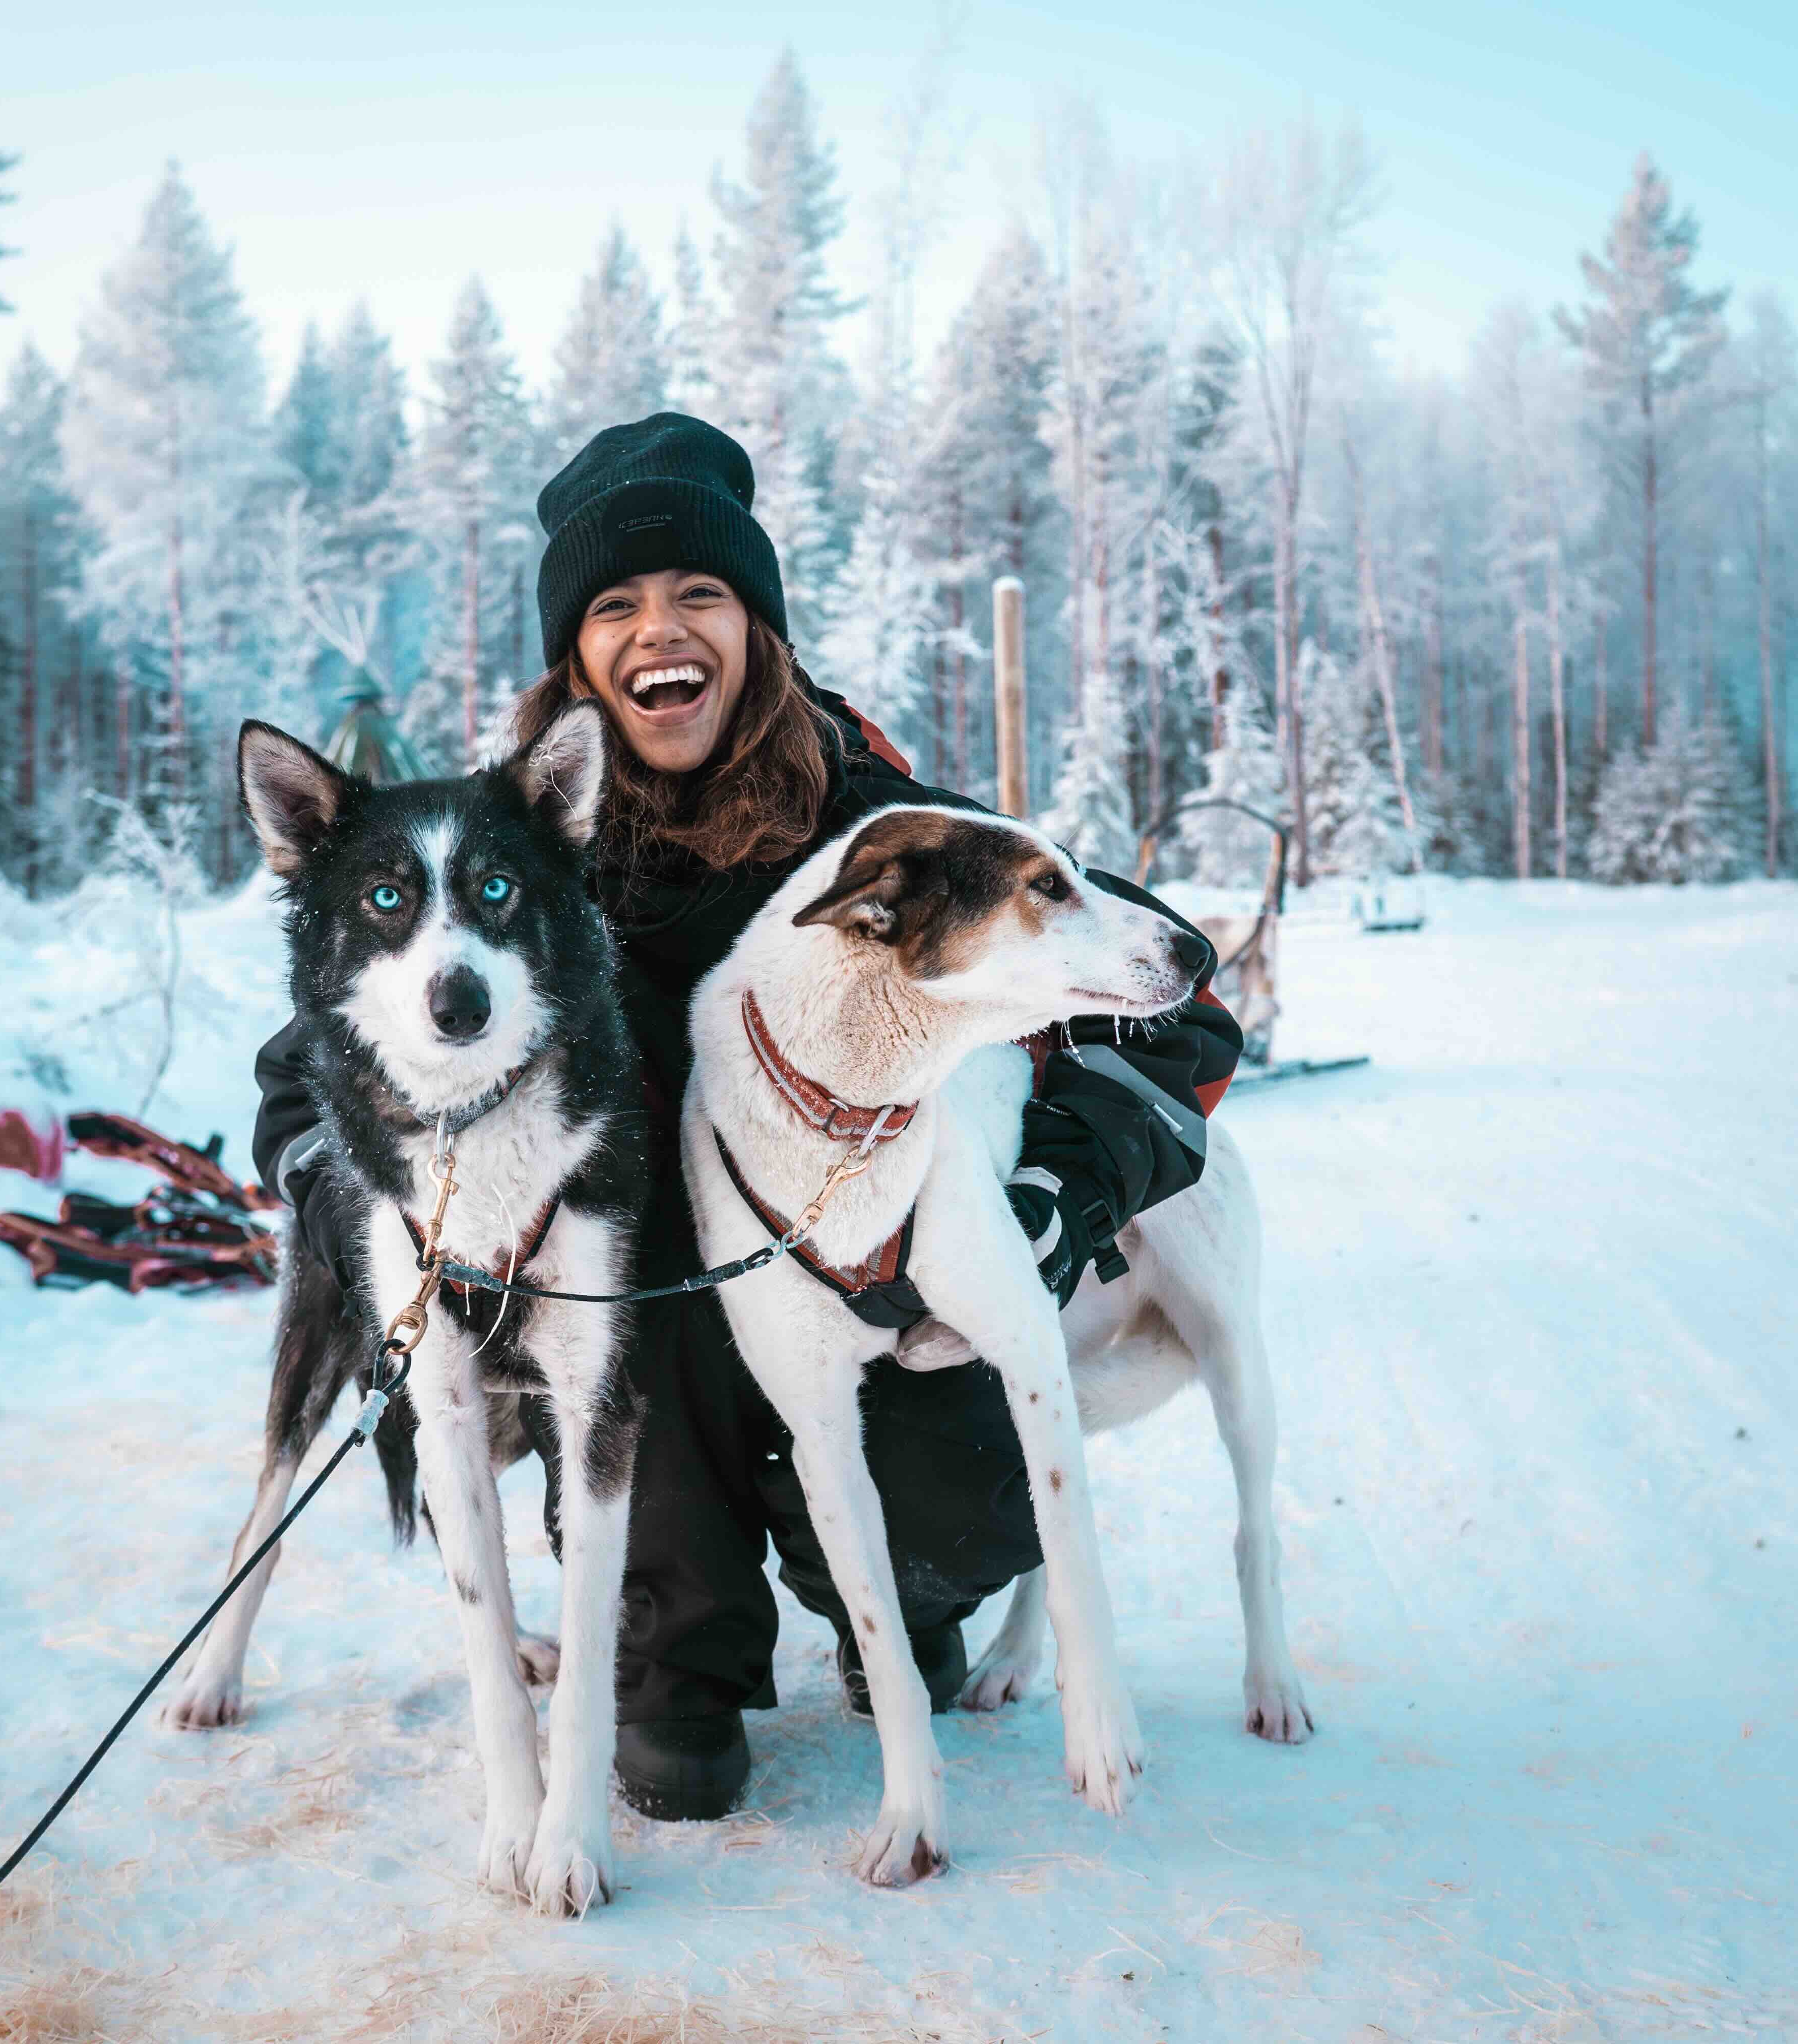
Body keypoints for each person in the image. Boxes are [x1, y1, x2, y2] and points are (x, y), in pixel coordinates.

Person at [252, 414, 1241, 1822]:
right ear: (578, 656)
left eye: (699, 592)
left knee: (948, 1512)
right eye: (617, 605)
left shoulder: (886, 835)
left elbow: (1174, 1013)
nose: (663, 628)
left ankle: (890, 1588)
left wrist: (1060, 1193)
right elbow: (319, 1060)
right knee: (671, 1780)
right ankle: (679, 1654)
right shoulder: (505, 842)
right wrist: (359, 1200)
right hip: (634, 1356)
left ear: (756, 623)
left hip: (870, 1307)